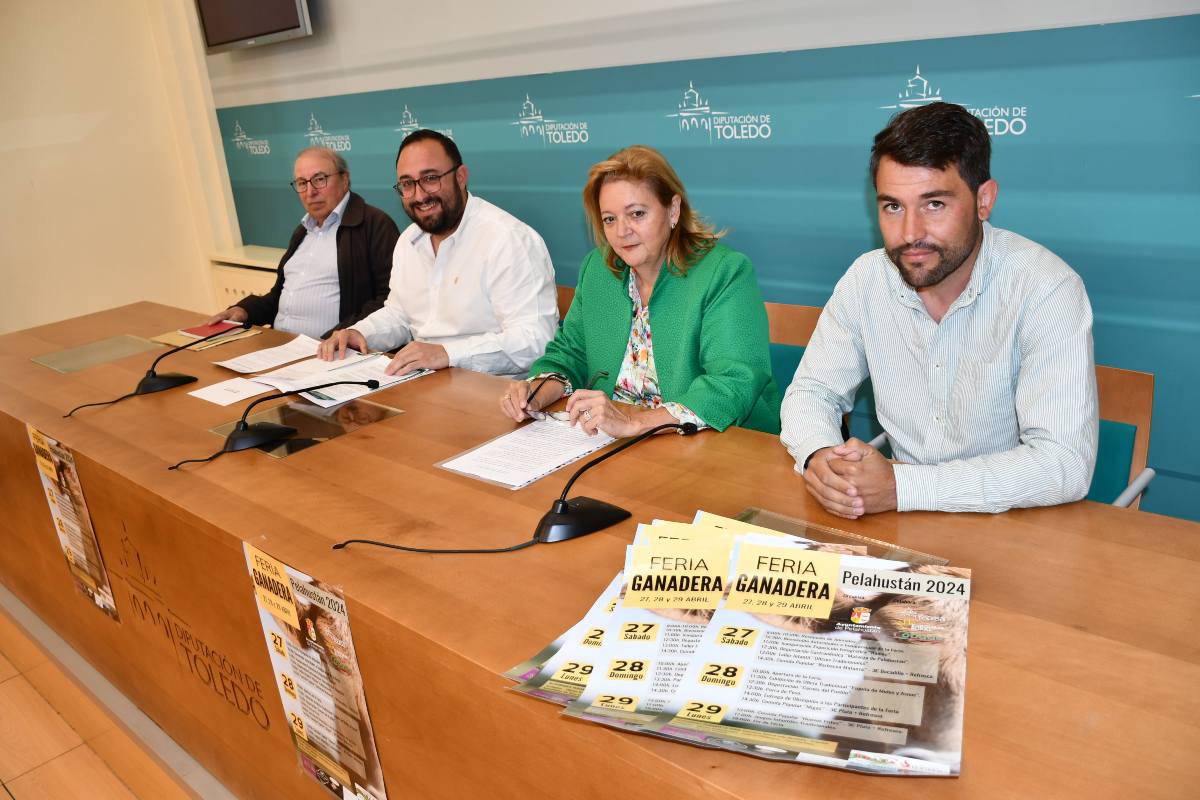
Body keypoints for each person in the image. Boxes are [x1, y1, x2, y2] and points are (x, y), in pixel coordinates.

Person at [780, 102, 1097, 518]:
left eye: (934, 205)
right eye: (893, 206)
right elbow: (811, 393)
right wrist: (820, 457)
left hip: (1010, 525)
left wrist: (903, 488)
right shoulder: (867, 279)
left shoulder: (1046, 287)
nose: (910, 233)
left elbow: (1063, 463)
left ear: (984, 200)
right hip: (896, 522)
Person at [499, 145, 779, 436]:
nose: (621, 232)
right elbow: (571, 353)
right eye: (610, 219)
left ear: (673, 210)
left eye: (636, 214)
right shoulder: (598, 269)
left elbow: (733, 382)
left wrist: (633, 424)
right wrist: (536, 392)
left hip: (716, 444)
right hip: (611, 443)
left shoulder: (725, 272)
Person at [318, 130, 557, 377]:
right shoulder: (408, 241)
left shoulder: (508, 239)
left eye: (430, 178)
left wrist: (448, 354)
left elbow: (536, 341)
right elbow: (400, 316)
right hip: (421, 385)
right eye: (407, 184)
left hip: (495, 394)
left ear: (461, 176)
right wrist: (361, 333)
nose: (420, 195)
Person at [207, 147, 399, 339]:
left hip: (330, 352)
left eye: (319, 179)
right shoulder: (303, 230)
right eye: (301, 183)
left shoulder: (375, 225)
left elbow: (389, 300)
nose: (310, 192)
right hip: (278, 344)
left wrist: (342, 335)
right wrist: (245, 311)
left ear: (344, 179)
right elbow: (279, 296)